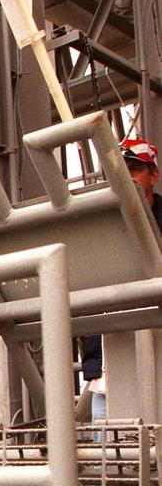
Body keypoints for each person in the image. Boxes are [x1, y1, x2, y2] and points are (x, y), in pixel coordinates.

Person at [82, 137, 161, 420]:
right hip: (110, 364)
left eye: (134, 169)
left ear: (154, 174)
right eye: (120, 170)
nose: (127, 177)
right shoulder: (99, 223)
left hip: (158, 352)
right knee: (108, 456)